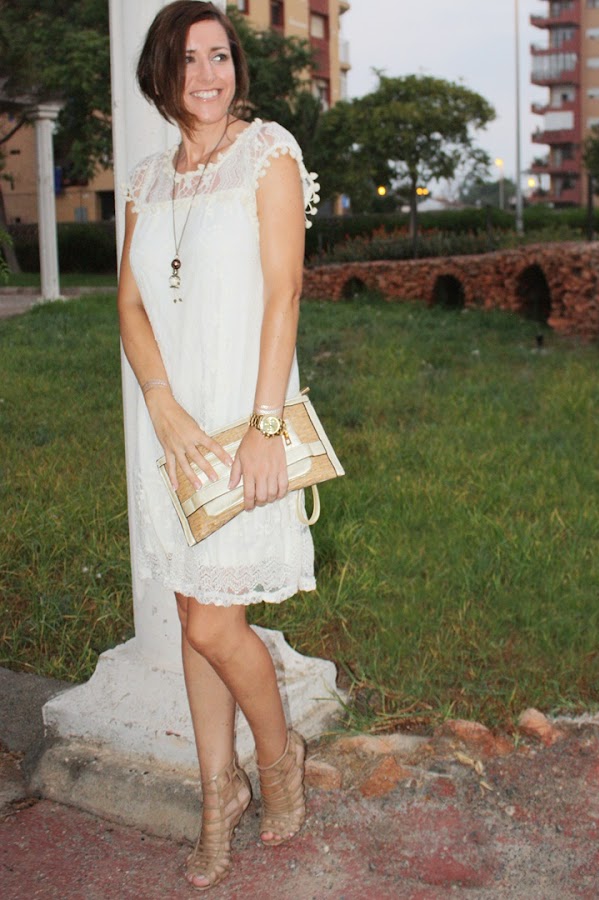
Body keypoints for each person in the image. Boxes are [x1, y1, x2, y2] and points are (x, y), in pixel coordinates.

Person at [117, 1, 319, 890]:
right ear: (161, 74)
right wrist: (161, 408)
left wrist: (268, 428)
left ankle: (277, 761)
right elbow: (129, 303)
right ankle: (216, 793)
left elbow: (285, 295)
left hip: (243, 424)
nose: (209, 75)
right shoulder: (146, 179)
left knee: (214, 622)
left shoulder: (268, 153)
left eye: (221, 56)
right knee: (194, 618)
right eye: (190, 59)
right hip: (174, 431)